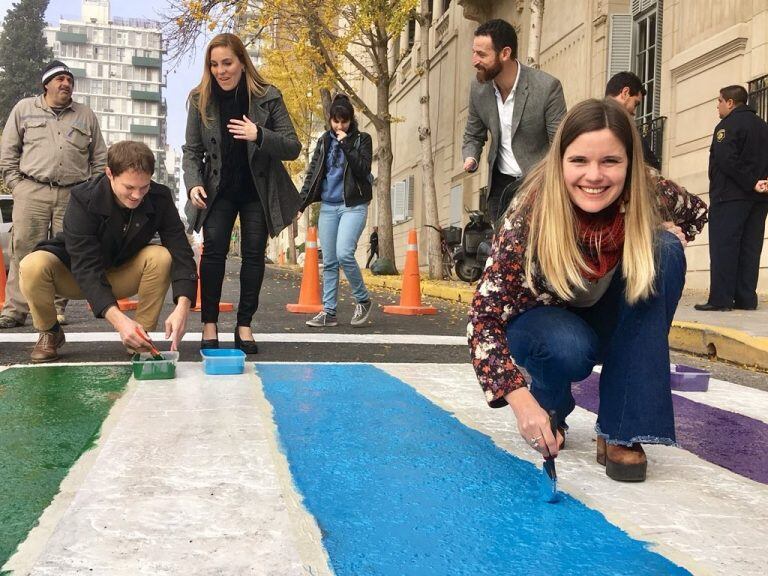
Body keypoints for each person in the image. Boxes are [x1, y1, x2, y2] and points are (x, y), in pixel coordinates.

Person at [468, 99, 708, 482]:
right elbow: (483, 318)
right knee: (567, 346)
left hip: (609, 314)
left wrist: (667, 229)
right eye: (579, 161)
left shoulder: (649, 191)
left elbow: (695, 212)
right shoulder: (528, 213)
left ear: (630, 164)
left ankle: (621, 430)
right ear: (560, 160)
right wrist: (521, 402)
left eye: (610, 161)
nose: (594, 176)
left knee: (664, 251)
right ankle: (552, 402)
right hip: (546, 324)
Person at [19, 141, 197, 363]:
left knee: (162, 256)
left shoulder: (160, 198)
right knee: (32, 265)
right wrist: (121, 323)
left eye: (144, 187)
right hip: (75, 276)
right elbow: (86, 267)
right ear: (109, 174)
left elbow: (181, 250)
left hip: (121, 273)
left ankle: (140, 337)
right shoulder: (83, 198)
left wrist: (183, 307)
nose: (137, 196)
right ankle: (50, 332)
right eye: (129, 187)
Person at [183, 33, 302, 353]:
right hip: (218, 189)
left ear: (242, 62)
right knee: (214, 254)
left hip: (257, 190)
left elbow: (292, 146)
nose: (221, 70)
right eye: (214, 64)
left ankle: (244, 325)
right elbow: (192, 151)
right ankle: (209, 323)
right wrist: (193, 183)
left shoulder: (267, 96)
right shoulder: (199, 99)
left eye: (227, 63)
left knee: (253, 255)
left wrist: (258, 134)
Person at [0, 59, 107, 329]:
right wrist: (17, 185)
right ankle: (15, 310)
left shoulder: (85, 115)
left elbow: (100, 157)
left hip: (73, 194)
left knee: (65, 250)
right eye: (60, 79)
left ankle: (56, 309)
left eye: (69, 80)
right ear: (46, 83)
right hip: (31, 190)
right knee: (22, 249)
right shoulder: (24, 109)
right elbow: (8, 151)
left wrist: (90, 192)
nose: (66, 83)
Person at [462, 19, 566, 226]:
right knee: (502, 253)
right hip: (500, 189)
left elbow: (561, 144)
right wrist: (471, 156)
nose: (474, 61)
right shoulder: (478, 88)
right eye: (474, 52)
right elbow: (473, 134)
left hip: (538, 186)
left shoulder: (547, 87)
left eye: (482, 54)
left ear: (505, 53)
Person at [299, 94, 374, 328]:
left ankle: (362, 300)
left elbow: (363, 170)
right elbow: (313, 173)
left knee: (344, 254)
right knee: (330, 261)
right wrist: (301, 204)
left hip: (353, 205)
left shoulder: (362, 140)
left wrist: (345, 144)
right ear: (330, 120)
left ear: (351, 120)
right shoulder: (323, 142)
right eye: (336, 121)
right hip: (329, 207)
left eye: (344, 121)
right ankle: (329, 311)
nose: (340, 126)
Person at [695, 85, 768, 312]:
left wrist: (750, 182)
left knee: (724, 247)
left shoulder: (726, 126)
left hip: (730, 197)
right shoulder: (764, 126)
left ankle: (721, 299)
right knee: (750, 248)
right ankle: (746, 299)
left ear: (730, 102)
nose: (717, 106)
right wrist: (762, 182)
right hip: (759, 199)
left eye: (719, 101)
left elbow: (726, 160)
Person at [605, 71, 661, 171]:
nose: (634, 112)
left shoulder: (587, 121)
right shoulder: (626, 131)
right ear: (625, 93)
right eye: (635, 104)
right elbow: (653, 166)